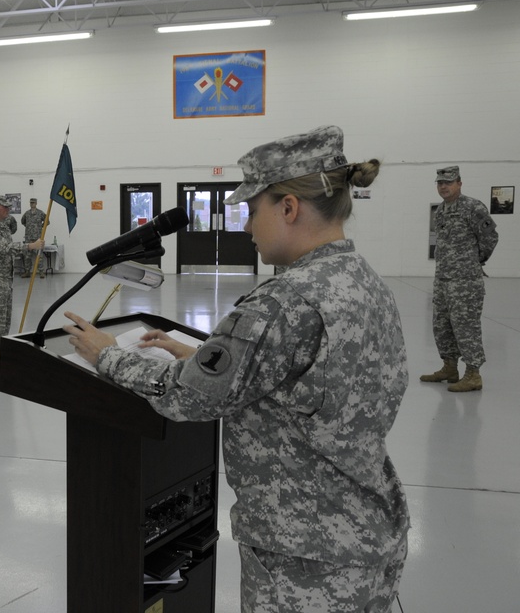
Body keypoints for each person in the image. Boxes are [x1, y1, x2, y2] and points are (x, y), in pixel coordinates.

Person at [63, 126, 410, 612]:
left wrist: (105, 354)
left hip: (304, 559)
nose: (246, 226)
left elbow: (189, 397)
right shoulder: (365, 283)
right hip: (367, 534)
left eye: (252, 210)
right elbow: (308, 385)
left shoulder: (285, 301)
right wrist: (199, 356)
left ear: (288, 208)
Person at [420, 166, 499, 392]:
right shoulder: (442, 210)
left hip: (465, 281)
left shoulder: (473, 207)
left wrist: (475, 261)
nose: (443, 186)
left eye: (448, 182)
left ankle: (473, 374)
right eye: (440, 183)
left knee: (466, 326)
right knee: (442, 325)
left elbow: (490, 237)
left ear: (460, 183)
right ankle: (450, 368)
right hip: (443, 279)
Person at [0, 195, 43, 362]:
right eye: (5, 206)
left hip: (5, 277)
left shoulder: (4, 226)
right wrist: (30, 246)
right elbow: (4, 248)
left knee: (5, 315)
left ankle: (2, 345)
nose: (8, 209)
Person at [20, 198, 47, 278]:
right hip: (28, 238)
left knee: (39, 256)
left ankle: (41, 272)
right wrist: (28, 227)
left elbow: (47, 221)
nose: (32, 204)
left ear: (36, 203)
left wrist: (40, 227)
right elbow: (22, 221)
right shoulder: (27, 214)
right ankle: (27, 271)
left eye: (33, 203)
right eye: (31, 203)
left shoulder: (40, 213)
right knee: (27, 256)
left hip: (37, 238)